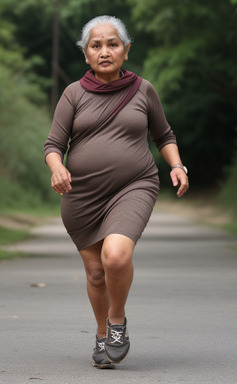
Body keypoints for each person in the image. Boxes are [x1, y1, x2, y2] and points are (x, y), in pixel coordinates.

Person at [44, 15, 189, 369]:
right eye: (96, 45)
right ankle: (101, 335)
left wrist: (177, 165)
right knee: (96, 273)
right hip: (83, 195)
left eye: (112, 44)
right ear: (85, 54)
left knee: (116, 257)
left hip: (134, 185)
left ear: (126, 50)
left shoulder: (144, 90)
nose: (104, 51)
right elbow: (53, 144)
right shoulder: (73, 93)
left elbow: (163, 135)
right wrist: (57, 168)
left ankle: (117, 322)